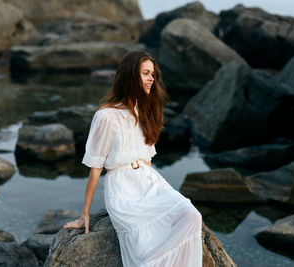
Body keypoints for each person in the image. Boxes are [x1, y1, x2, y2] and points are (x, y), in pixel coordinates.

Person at [63, 50, 203, 267]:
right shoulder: (105, 115)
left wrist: (157, 192)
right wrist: (84, 214)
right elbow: (95, 168)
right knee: (146, 253)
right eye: (146, 73)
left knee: (192, 216)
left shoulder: (144, 110)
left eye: (153, 75)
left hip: (148, 181)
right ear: (130, 76)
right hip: (122, 190)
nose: (151, 79)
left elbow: (147, 160)